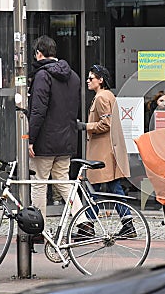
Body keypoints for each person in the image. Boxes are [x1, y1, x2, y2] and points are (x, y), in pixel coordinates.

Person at [28, 35, 93, 242]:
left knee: (39, 182)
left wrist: (31, 138)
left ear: (39, 53)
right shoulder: (73, 76)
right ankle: (84, 223)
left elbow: (38, 110)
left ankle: (38, 229)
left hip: (45, 142)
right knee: (63, 182)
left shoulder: (42, 76)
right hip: (67, 139)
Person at [78, 64, 136, 238]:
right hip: (107, 150)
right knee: (113, 188)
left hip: (102, 151)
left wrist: (85, 126)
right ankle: (127, 224)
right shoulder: (108, 95)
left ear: (100, 80)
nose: (88, 81)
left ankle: (88, 226)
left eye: (91, 78)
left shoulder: (102, 97)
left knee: (93, 190)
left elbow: (106, 124)